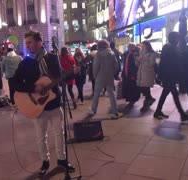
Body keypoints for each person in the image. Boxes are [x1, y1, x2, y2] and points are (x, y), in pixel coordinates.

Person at [13, 30, 76, 176]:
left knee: (60, 134)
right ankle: (45, 161)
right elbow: (14, 83)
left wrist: (72, 72)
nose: (27, 46)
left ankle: (62, 160)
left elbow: (61, 76)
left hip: (54, 103)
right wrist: (33, 88)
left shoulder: (53, 58)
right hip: (37, 106)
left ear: (39, 42)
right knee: (41, 136)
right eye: (26, 43)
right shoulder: (26, 63)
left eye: (30, 42)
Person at [154, 32, 188, 121]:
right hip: (168, 76)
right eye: (176, 38)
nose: (178, 40)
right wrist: (159, 75)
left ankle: (158, 111)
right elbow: (164, 62)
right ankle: (182, 114)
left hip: (171, 76)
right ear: (172, 39)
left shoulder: (174, 48)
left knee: (167, 94)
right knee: (174, 94)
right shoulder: (167, 47)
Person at [88, 40, 123, 119]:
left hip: (100, 77)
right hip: (109, 76)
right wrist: (112, 73)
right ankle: (115, 112)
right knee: (111, 94)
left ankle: (93, 110)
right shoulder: (112, 53)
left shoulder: (98, 54)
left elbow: (96, 66)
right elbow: (116, 65)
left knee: (96, 94)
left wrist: (95, 75)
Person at [135, 41, 157, 112]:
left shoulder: (152, 53)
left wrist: (144, 58)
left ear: (147, 46)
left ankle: (146, 104)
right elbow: (138, 64)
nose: (142, 47)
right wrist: (137, 59)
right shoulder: (141, 52)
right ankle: (149, 99)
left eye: (143, 46)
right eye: (141, 46)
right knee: (143, 88)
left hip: (148, 73)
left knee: (146, 88)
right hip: (141, 73)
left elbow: (151, 63)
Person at [122, 43, 140, 109]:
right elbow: (125, 64)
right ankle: (130, 100)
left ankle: (132, 101)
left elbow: (136, 64)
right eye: (129, 46)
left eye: (131, 46)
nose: (129, 47)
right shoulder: (126, 53)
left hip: (131, 74)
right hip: (126, 74)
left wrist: (134, 73)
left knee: (132, 88)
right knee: (128, 88)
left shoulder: (134, 54)